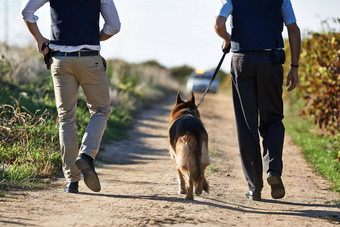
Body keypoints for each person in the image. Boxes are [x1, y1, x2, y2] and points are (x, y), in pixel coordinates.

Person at [21, 0, 121, 193]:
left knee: (66, 118)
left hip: (61, 61)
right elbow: (114, 26)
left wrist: (39, 38)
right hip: (90, 58)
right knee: (100, 111)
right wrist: (95, 38)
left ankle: (71, 181)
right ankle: (86, 155)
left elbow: (27, 11)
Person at [214, 0, 301, 201]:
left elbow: (219, 24)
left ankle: (254, 187)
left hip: (242, 60)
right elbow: (293, 30)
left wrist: (227, 39)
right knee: (272, 119)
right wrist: (294, 67)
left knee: (247, 124)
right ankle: (273, 169)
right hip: (270, 60)